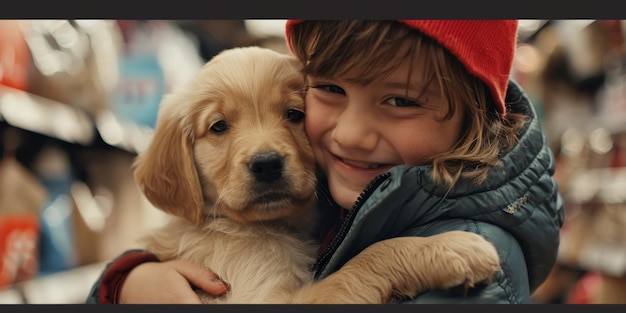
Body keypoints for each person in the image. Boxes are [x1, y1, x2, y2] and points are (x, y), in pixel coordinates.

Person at [86, 20, 564, 304]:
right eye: (219, 127)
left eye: (292, 113)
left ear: (475, 117)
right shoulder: (339, 208)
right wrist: (126, 282)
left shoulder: (360, 209)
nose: (265, 154)